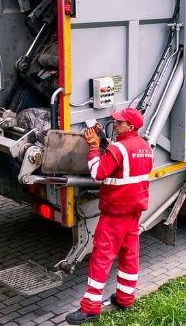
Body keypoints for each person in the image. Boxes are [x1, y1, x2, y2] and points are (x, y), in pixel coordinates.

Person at [65, 107, 153, 325]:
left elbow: (98, 173)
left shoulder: (118, 149)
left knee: (101, 259)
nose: (115, 124)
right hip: (134, 212)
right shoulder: (146, 147)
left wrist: (94, 147)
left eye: (119, 122)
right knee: (129, 256)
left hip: (115, 214)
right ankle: (125, 298)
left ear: (130, 126)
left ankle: (90, 308)